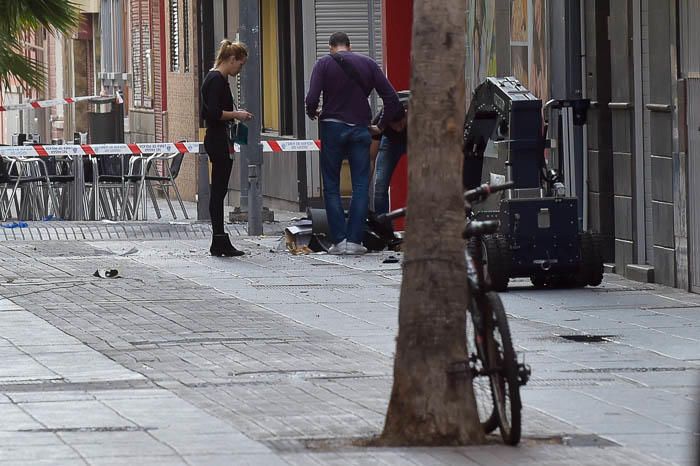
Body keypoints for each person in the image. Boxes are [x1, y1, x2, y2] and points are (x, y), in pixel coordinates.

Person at [305, 31, 402, 255]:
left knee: (331, 185)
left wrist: (313, 112)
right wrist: (381, 126)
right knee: (360, 186)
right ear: (349, 46)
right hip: (360, 128)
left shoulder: (323, 64)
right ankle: (355, 242)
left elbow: (312, 98)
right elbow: (392, 99)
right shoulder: (368, 63)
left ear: (331, 47)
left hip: (332, 128)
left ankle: (339, 242)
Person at [200, 39, 253, 257]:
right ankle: (219, 239)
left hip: (221, 138)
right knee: (219, 191)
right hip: (218, 139)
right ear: (231, 60)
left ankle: (220, 238)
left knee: (220, 191)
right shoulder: (216, 79)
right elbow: (212, 113)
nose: (240, 70)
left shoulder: (219, 79)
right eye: (240, 65)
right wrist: (236, 115)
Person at [369, 90, 409, 215]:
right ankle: (383, 227)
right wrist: (362, 186)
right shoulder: (380, 122)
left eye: (401, 124)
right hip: (391, 143)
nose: (398, 129)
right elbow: (370, 159)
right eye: (394, 126)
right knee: (380, 187)